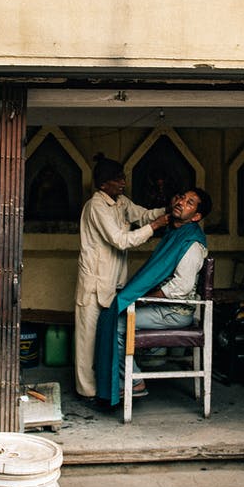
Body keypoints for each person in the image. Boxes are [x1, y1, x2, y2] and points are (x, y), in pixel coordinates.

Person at [94, 188, 213, 405]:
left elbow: (181, 287)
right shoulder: (175, 233)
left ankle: (133, 383)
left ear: (196, 216)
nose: (181, 203)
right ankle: (121, 379)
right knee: (112, 313)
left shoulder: (192, 243)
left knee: (118, 324)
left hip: (175, 311)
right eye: (181, 198)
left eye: (190, 203)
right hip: (164, 307)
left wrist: (147, 297)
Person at [73, 155, 169, 399]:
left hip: (114, 282)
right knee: (87, 342)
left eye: (123, 177)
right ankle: (88, 391)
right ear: (103, 184)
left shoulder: (120, 202)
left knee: (105, 338)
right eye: (117, 179)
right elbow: (120, 240)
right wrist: (156, 227)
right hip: (94, 283)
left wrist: (166, 211)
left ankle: (106, 385)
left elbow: (143, 215)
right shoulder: (95, 206)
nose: (123, 182)